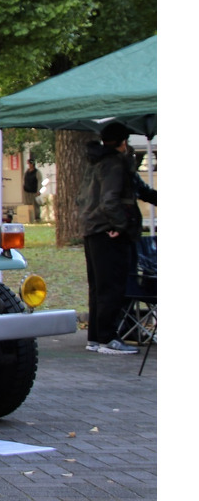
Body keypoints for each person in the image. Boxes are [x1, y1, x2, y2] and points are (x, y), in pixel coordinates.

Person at [79, 122, 157, 356]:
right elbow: (110, 200)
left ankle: (95, 337)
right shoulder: (114, 164)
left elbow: (138, 190)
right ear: (124, 142)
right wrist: (119, 225)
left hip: (93, 229)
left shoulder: (94, 163)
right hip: (108, 232)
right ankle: (108, 338)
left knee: (98, 287)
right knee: (112, 286)